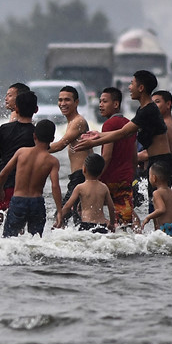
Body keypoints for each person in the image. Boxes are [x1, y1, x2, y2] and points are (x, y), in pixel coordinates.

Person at [74, 71, 172, 211]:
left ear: (141, 88)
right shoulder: (143, 110)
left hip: (161, 163)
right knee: (155, 209)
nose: (129, 87)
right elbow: (124, 131)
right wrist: (98, 135)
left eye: (132, 83)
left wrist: (94, 142)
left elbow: (123, 133)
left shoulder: (148, 111)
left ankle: (167, 232)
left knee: (159, 210)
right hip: (155, 162)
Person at [0, 91, 37, 232]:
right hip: (22, 186)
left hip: (0, 185)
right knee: (18, 222)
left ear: (16, 109)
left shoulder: (4, 129)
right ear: (36, 110)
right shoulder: (36, 134)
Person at [0, 119, 64, 238]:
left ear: (34, 136)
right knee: (35, 239)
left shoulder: (21, 152)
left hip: (18, 201)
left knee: (8, 238)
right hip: (37, 203)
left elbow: (4, 173)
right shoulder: (52, 161)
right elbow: (55, 186)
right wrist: (60, 211)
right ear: (52, 139)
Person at [49, 85, 91, 225]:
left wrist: (35, 150)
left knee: (61, 216)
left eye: (67, 100)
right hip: (79, 176)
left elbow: (60, 145)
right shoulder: (72, 121)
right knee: (77, 218)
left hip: (81, 176)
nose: (62, 103)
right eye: (60, 100)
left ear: (76, 102)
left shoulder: (78, 121)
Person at [96, 87, 137, 228]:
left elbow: (106, 156)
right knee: (124, 222)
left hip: (109, 179)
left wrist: (95, 178)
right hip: (125, 179)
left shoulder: (109, 124)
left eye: (105, 101)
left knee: (89, 213)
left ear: (116, 104)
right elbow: (134, 156)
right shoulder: (130, 124)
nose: (100, 105)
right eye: (100, 101)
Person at [60, 153, 116, 233]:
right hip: (101, 225)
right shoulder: (104, 187)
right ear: (101, 172)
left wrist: (59, 219)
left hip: (86, 225)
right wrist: (112, 224)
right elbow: (111, 208)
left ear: (84, 169)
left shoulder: (80, 187)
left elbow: (67, 206)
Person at [141, 161, 172, 238]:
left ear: (154, 178)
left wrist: (148, 217)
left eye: (149, 176)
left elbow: (161, 209)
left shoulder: (157, 193)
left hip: (166, 227)